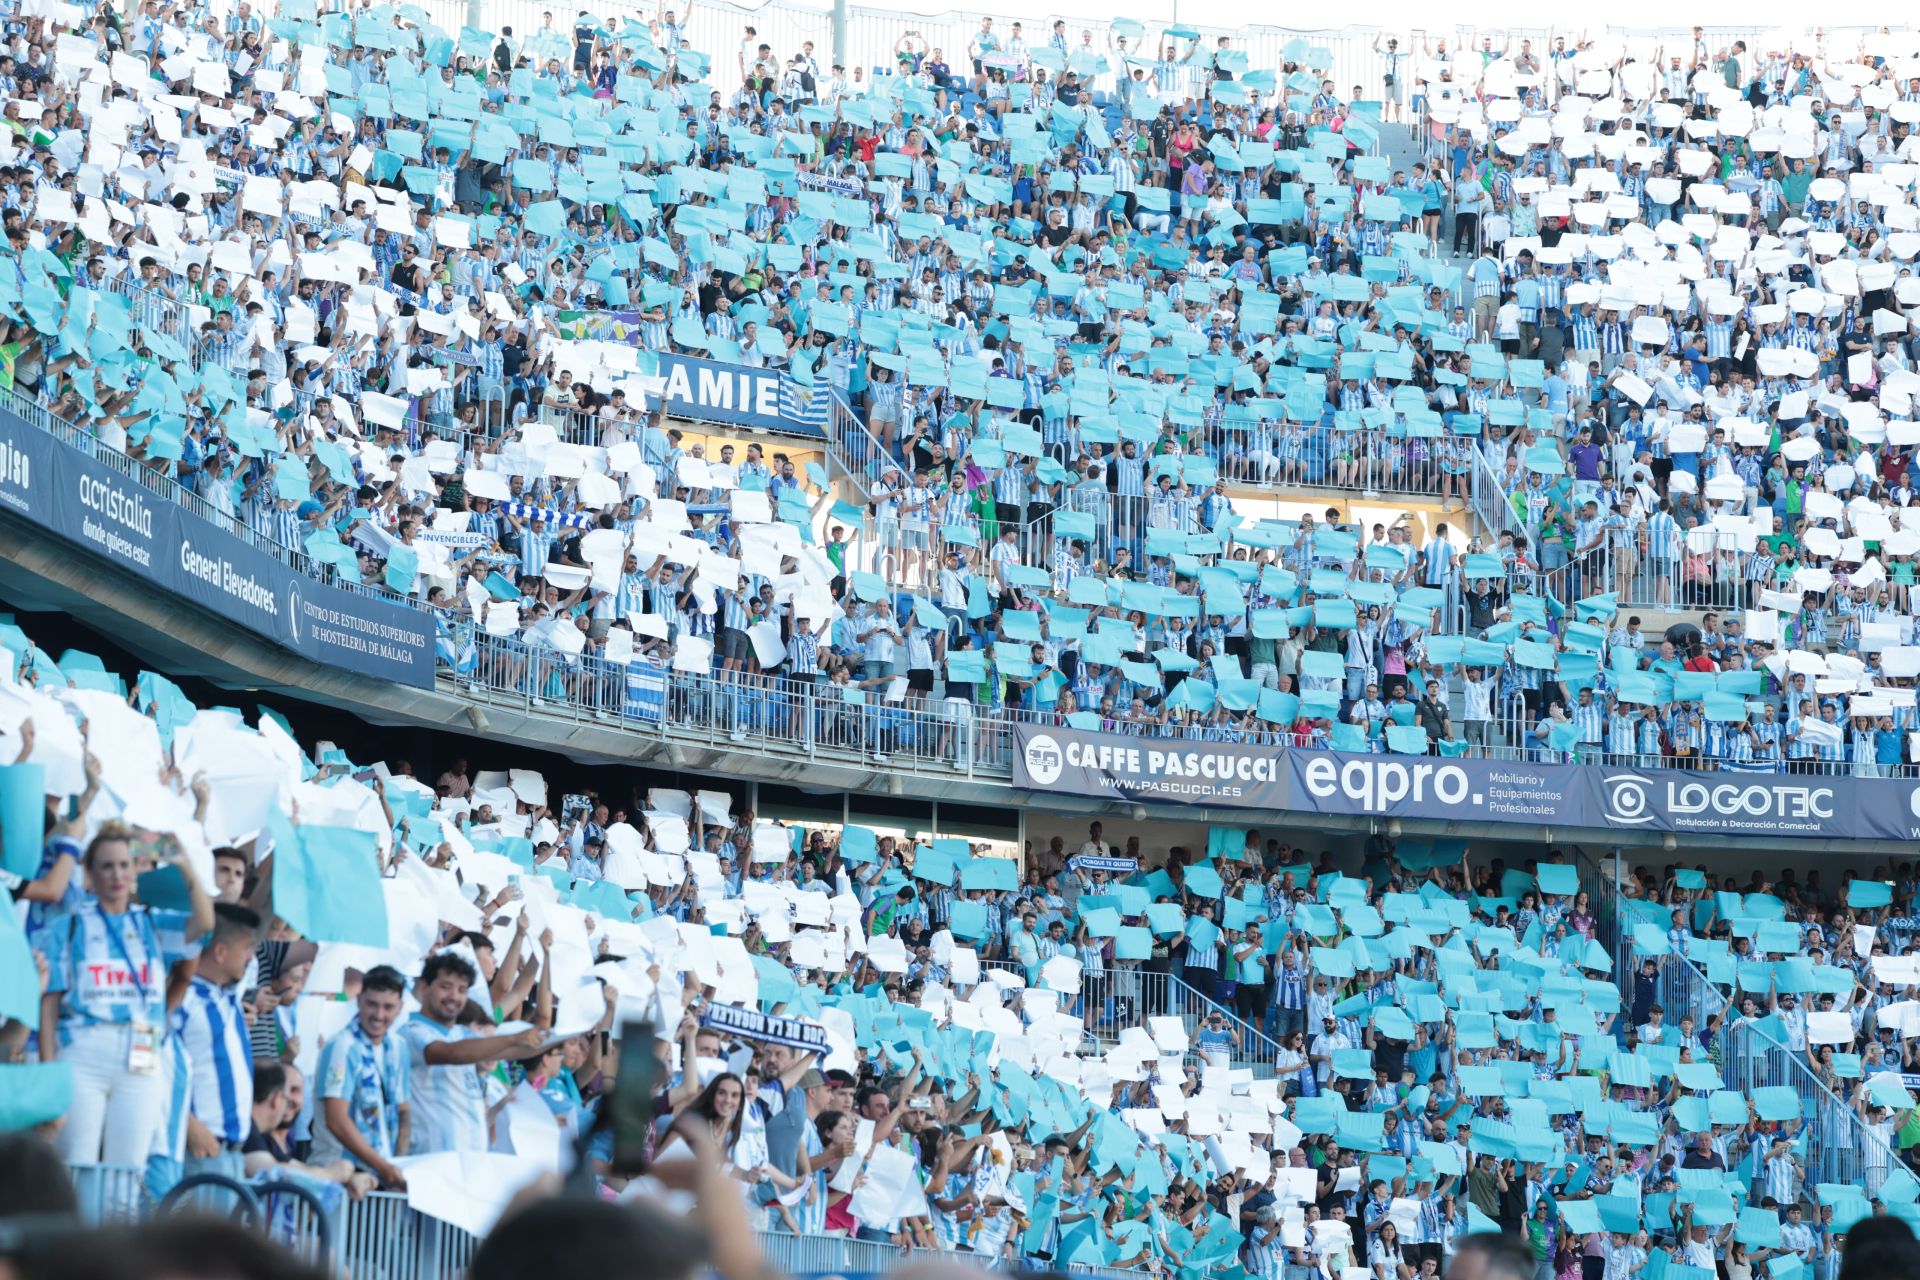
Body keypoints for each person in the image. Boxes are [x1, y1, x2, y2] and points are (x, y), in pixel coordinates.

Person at [39, 824, 214, 1168]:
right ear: (89, 873)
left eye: (123, 864)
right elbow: (50, 1004)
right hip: (83, 1048)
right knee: (76, 1164)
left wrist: (184, 863)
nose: (116, 874)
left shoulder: (151, 921)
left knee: (128, 1170)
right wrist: (49, 1070)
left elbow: (204, 924)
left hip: (141, 1052)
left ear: (135, 869)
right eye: (106, 866)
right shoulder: (70, 925)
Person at [398, 953, 546, 1154]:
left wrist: (562, 1033)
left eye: (462, 990)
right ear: (424, 987)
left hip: (472, 1166)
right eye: (445, 987)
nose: (454, 996)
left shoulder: (464, 1034)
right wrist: (513, 1038)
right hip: (431, 1164)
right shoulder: (410, 1030)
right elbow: (449, 1054)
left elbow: (519, 1050)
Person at [176, 903, 266, 1183]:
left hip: (232, 1153)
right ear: (220, 952)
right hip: (201, 1150)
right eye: (246, 948)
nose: (251, 957)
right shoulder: (182, 1001)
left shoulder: (229, 1000)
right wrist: (190, 1126)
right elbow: (162, 1070)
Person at [309, 965, 412, 1188]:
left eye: (388, 1007)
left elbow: (403, 1111)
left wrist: (397, 1165)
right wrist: (385, 1168)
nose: (379, 1015)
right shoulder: (342, 1046)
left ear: (400, 1008)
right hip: (340, 1175)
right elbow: (336, 1120)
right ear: (359, 1001)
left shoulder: (398, 1046)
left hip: (383, 1176)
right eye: (372, 1004)